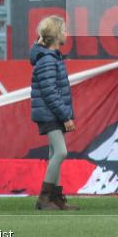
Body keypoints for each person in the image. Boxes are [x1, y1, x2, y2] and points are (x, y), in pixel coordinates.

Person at [29, 15, 79, 211]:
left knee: (54, 153)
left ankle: (56, 199)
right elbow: (50, 92)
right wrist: (65, 116)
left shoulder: (50, 57)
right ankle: (44, 198)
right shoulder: (48, 60)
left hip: (51, 113)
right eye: (64, 30)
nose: (67, 33)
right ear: (57, 35)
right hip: (50, 114)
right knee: (61, 152)